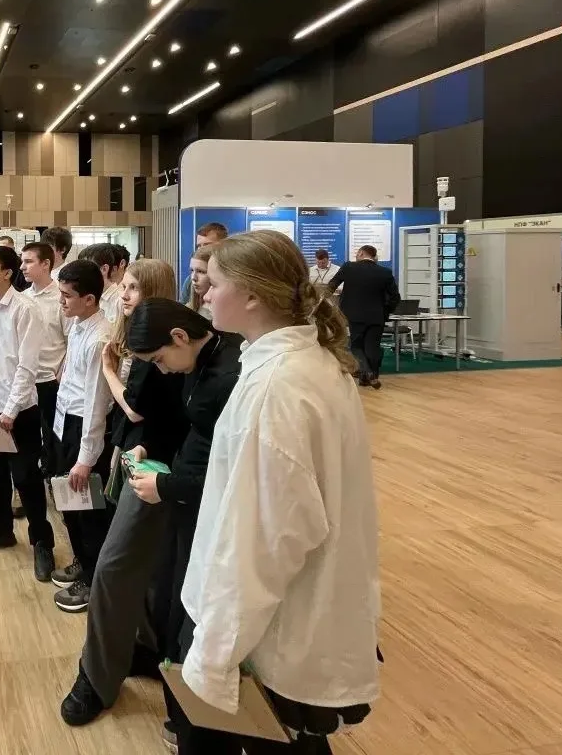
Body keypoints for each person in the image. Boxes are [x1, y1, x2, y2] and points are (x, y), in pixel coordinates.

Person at [155, 230, 380, 755]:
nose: (204, 293)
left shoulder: (277, 386)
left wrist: (214, 654)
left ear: (252, 295)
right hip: (287, 617)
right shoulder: (307, 364)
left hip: (272, 629)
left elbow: (265, 539)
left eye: (214, 284)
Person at [60, 259, 191, 726]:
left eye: (133, 287)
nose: (124, 292)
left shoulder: (163, 341)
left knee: (114, 570)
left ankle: (95, 677)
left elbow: (136, 409)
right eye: (125, 285)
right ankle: (142, 648)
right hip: (142, 461)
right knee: (148, 569)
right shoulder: (134, 333)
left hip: (157, 469)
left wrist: (109, 368)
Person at [121, 298, 241, 750]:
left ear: (178, 337)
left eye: (159, 360)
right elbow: (192, 431)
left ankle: (196, 726)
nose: (163, 369)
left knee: (190, 621)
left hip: (206, 510)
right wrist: (152, 451)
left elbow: (233, 469)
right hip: (188, 501)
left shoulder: (232, 373)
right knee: (171, 606)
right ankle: (185, 718)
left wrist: (167, 486)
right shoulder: (203, 362)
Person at [0, 245, 56, 583]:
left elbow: (27, 366)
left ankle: (42, 543)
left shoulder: (25, 309)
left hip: (19, 414)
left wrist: (11, 409)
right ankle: (0, 530)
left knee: (27, 479)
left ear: (7, 273)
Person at [50, 259, 115, 612]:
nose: (61, 300)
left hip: (84, 428)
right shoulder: (78, 324)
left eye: (67, 295)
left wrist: (86, 458)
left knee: (87, 509)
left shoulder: (100, 337)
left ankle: (93, 580)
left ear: (89, 299)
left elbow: (95, 403)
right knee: (69, 503)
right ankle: (82, 560)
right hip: (66, 421)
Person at [21, 241, 69, 484]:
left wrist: (61, 372)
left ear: (46, 264)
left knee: (53, 433)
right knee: (27, 435)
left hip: (51, 380)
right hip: (26, 380)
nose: (23, 267)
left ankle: (53, 477)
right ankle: (29, 479)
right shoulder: (22, 298)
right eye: (22, 261)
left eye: (29, 261)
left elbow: (71, 339)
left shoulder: (61, 298)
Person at [328, 245, 400, 389]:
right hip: (377, 316)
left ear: (361, 253)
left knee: (356, 346)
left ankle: (368, 373)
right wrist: (385, 311)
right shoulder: (385, 272)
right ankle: (368, 378)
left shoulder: (349, 267)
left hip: (354, 315)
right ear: (374, 256)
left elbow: (331, 286)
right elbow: (395, 297)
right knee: (372, 347)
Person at [180, 222, 228, 303]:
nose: (201, 250)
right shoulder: (190, 281)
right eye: (199, 246)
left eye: (207, 245)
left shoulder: (231, 279)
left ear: (223, 245)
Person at [78, 243, 123, 323]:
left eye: (86, 269)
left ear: (104, 269)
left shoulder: (120, 300)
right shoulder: (87, 298)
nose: (81, 274)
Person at [186, 246, 212, 317]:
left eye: (200, 271)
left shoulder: (221, 312)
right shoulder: (189, 307)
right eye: (192, 270)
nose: (193, 278)